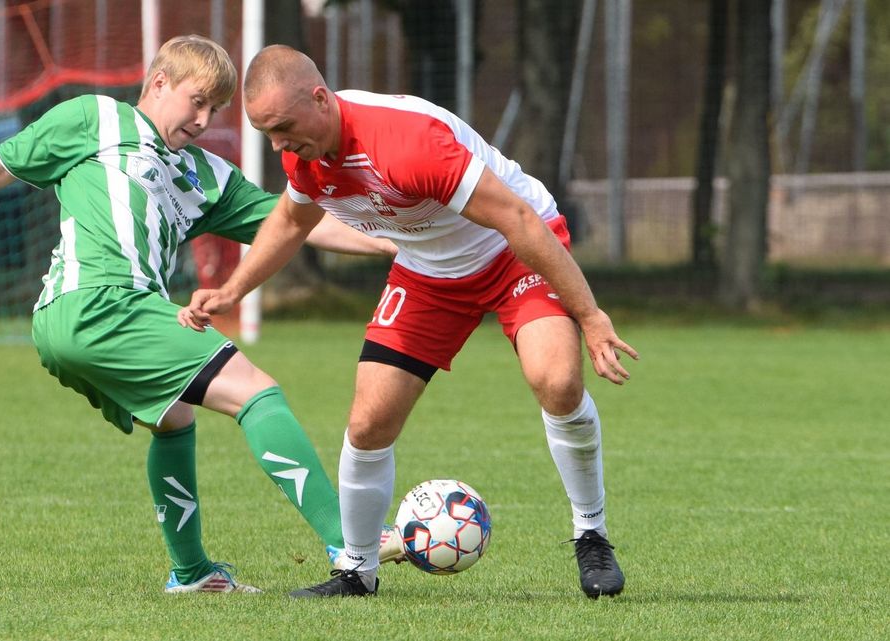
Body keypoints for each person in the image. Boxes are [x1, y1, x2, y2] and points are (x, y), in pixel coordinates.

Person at [0, 35, 400, 594]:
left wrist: (397, 240)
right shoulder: (96, 119)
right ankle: (350, 539)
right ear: (159, 83)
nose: (205, 119)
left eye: (216, 109)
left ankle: (191, 574)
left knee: (174, 418)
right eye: (197, 100)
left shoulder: (206, 175)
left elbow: (297, 224)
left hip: (94, 318)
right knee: (256, 393)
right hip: (98, 303)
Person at [179, 45, 640, 599]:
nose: (278, 144)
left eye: (282, 127)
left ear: (321, 100)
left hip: (513, 251)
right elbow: (289, 221)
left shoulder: (407, 141)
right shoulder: (305, 155)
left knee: (558, 382)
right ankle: (357, 570)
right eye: (266, 133)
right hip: (427, 273)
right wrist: (231, 290)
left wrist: (589, 315)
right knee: (369, 423)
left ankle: (590, 533)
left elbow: (517, 219)